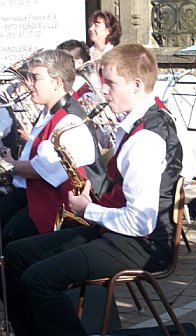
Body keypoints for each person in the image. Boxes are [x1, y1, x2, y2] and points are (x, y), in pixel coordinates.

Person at [3, 43, 183, 336]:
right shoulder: (137, 123)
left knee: (39, 280)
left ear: (137, 84)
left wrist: (88, 209)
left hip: (142, 244)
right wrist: (96, 200)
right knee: (15, 254)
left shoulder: (147, 138)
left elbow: (140, 221)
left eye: (110, 83)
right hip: (118, 232)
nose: (104, 91)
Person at [0, 49, 98, 245]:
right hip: (30, 195)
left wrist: (9, 164)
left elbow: (42, 169)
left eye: (35, 77)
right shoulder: (48, 112)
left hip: (51, 205)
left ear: (57, 82)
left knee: (9, 240)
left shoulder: (70, 118)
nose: (28, 83)